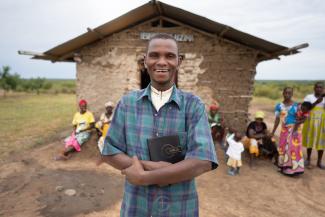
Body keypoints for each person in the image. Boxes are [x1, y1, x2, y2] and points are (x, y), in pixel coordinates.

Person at [99, 33, 218, 217]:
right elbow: (109, 151)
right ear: (145, 60)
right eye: (154, 55)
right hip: (136, 208)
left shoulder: (193, 105)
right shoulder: (127, 104)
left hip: (180, 208)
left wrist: (145, 177)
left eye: (169, 56)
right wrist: (152, 166)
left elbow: (202, 162)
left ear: (179, 61)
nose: (162, 62)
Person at [271, 87, 306, 176]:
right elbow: (277, 119)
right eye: (286, 93)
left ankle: (294, 168)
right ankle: (283, 166)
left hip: (295, 131)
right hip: (284, 130)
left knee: (293, 149)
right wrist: (272, 132)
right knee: (282, 147)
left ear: (292, 94)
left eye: (289, 93)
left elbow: (304, 118)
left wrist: (297, 126)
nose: (287, 95)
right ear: (283, 93)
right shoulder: (279, 106)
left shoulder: (297, 106)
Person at [302, 82, 325, 169]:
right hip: (310, 121)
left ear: (323, 89)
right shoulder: (309, 97)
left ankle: (319, 162)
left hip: (322, 122)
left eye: (321, 88)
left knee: (321, 141)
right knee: (310, 140)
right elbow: (305, 108)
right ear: (314, 88)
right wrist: (316, 102)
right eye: (317, 87)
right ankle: (308, 159)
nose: (319, 89)